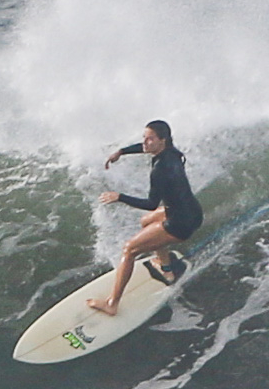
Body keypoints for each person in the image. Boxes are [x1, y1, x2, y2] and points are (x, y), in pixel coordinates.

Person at [86, 119, 203, 316]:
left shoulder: (159, 171)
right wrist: (121, 152)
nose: (145, 143)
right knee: (146, 222)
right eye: (144, 138)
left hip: (180, 222)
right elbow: (145, 148)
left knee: (129, 249)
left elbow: (151, 204)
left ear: (162, 141)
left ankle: (112, 303)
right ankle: (166, 268)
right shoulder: (172, 153)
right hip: (191, 210)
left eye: (150, 140)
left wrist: (119, 197)